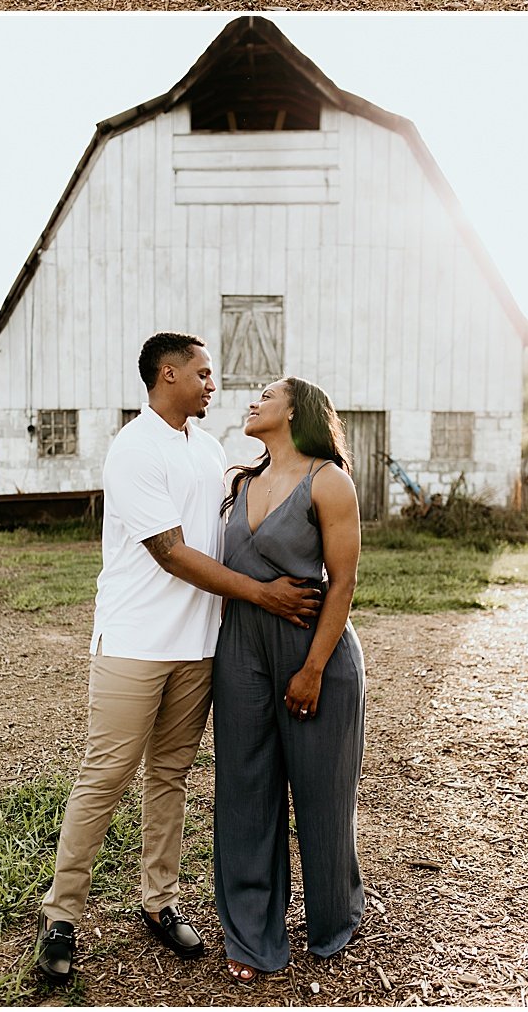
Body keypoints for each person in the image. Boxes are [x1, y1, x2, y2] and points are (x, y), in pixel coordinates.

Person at [36, 334, 324, 990]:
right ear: (168, 374)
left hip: (197, 646)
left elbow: (228, 532)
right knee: (105, 776)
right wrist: (262, 595)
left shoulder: (210, 448)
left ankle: (159, 900)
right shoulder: (134, 447)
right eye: (202, 372)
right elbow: (169, 551)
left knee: (170, 776)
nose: (212, 383)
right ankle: (61, 917)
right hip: (135, 640)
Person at [212, 377, 366, 981]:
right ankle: (251, 937)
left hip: (314, 651)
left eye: (267, 394)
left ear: (295, 409)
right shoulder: (240, 483)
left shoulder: (328, 481)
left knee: (322, 798)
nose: (253, 400)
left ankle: (334, 919)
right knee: (245, 792)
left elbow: (344, 581)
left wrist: (313, 668)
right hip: (241, 648)